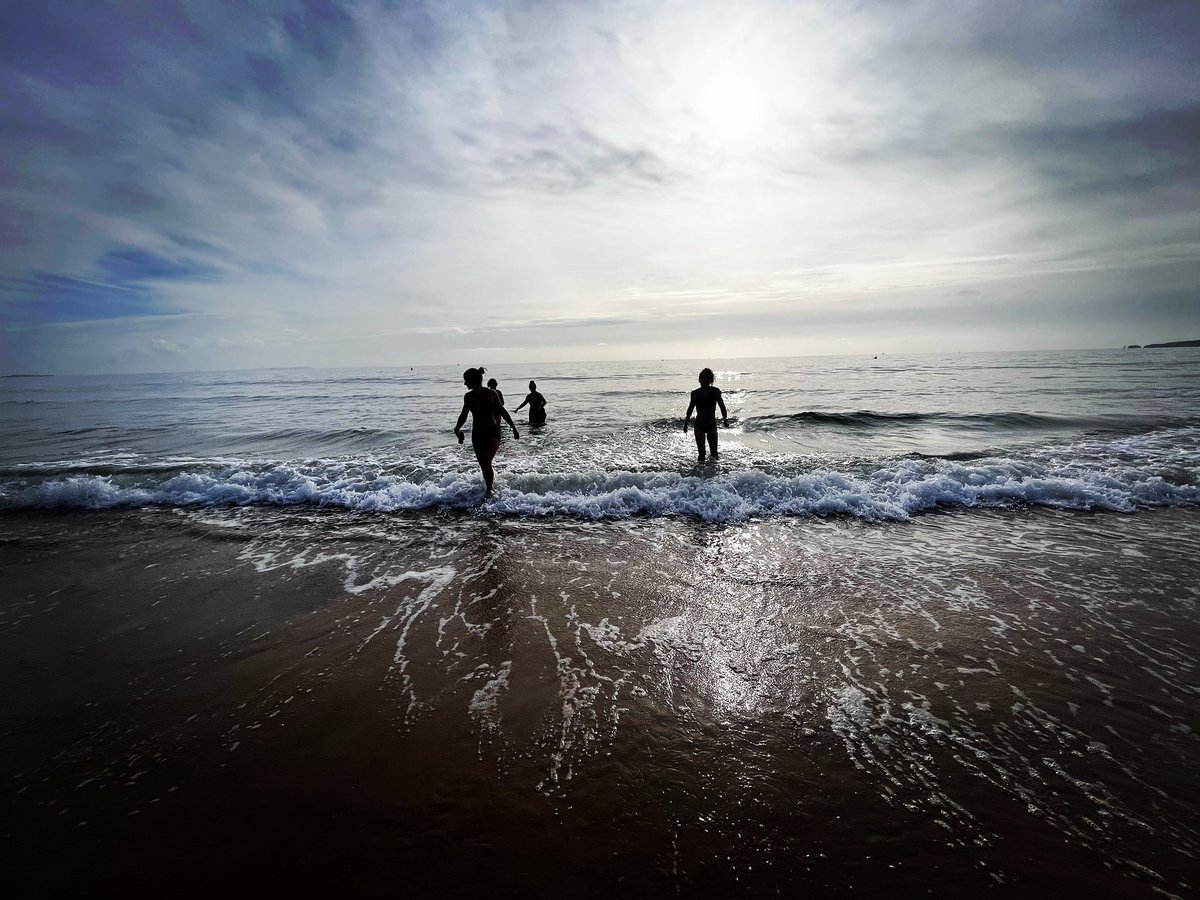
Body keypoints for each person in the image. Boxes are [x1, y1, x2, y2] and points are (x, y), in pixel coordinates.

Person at [454, 367, 519, 495]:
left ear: (473, 380)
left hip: (492, 432)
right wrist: (457, 429)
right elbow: (464, 415)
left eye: (466, 380)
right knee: (483, 465)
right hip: (477, 434)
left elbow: (502, 411)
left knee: (486, 461)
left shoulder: (491, 394)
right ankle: (488, 487)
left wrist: (514, 428)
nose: (464, 383)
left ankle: (489, 491)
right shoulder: (468, 397)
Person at [684, 367, 728, 463]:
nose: (704, 380)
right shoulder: (695, 393)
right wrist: (686, 423)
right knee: (701, 454)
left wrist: (725, 420)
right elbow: (690, 409)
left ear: (710, 380)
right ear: (699, 379)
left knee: (714, 453)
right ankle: (699, 475)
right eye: (702, 378)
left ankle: (714, 475)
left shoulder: (715, 392)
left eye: (706, 378)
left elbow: (722, 406)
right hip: (699, 426)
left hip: (711, 426)